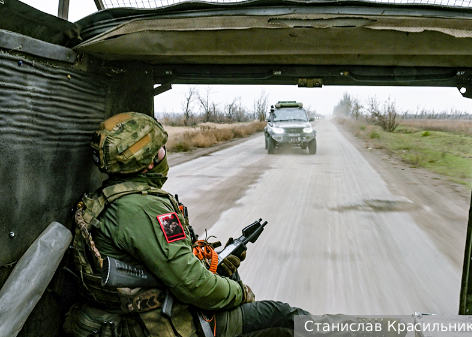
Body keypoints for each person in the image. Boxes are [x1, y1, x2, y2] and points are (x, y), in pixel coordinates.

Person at [64, 112, 309, 337]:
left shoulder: (109, 199)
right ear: (148, 162)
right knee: (286, 318)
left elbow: (163, 263)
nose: (164, 155)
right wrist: (240, 293)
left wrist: (215, 265)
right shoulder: (143, 208)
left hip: (136, 314)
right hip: (161, 322)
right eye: (159, 150)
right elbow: (192, 284)